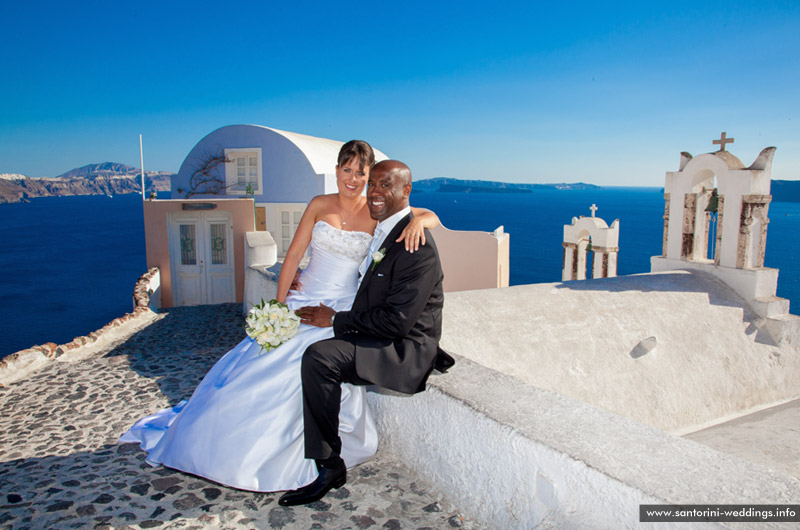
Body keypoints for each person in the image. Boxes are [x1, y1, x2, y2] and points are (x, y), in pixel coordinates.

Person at [119, 141, 440, 492]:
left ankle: (308, 455)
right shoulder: (320, 204)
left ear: (370, 177)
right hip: (304, 297)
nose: (354, 179)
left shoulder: (376, 210)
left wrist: (420, 221)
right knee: (257, 364)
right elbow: (292, 256)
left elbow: (420, 214)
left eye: (361, 174)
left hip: (341, 307)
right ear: (335, 170)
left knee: (310, 363)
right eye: (346, 170)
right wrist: (279, 302)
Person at [278, 159, 453, 507]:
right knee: (315, 352)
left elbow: (397, 322)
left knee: (319, 357)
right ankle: (325, 461)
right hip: (377, 328)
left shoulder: (416, 246)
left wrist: (334, 319)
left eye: (384, 185)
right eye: (372, 184)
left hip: (401, 347)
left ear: (406, 192)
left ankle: (329, 467)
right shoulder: (386, 228)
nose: (374, 191)